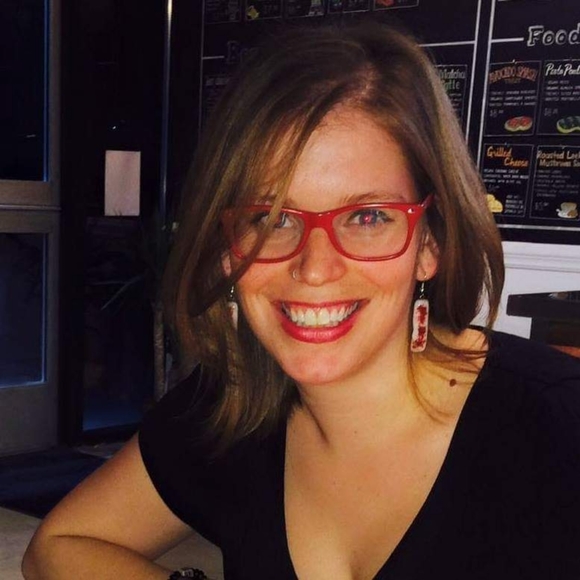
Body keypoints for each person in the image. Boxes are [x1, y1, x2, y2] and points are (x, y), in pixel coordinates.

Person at [23, 20, 580, 580]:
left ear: (429, 244)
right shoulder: (230, 408)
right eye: (271, 219)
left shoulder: (558, 427)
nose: (314, 268)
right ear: (227, 249)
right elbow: (59, 546)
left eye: (368, 217)